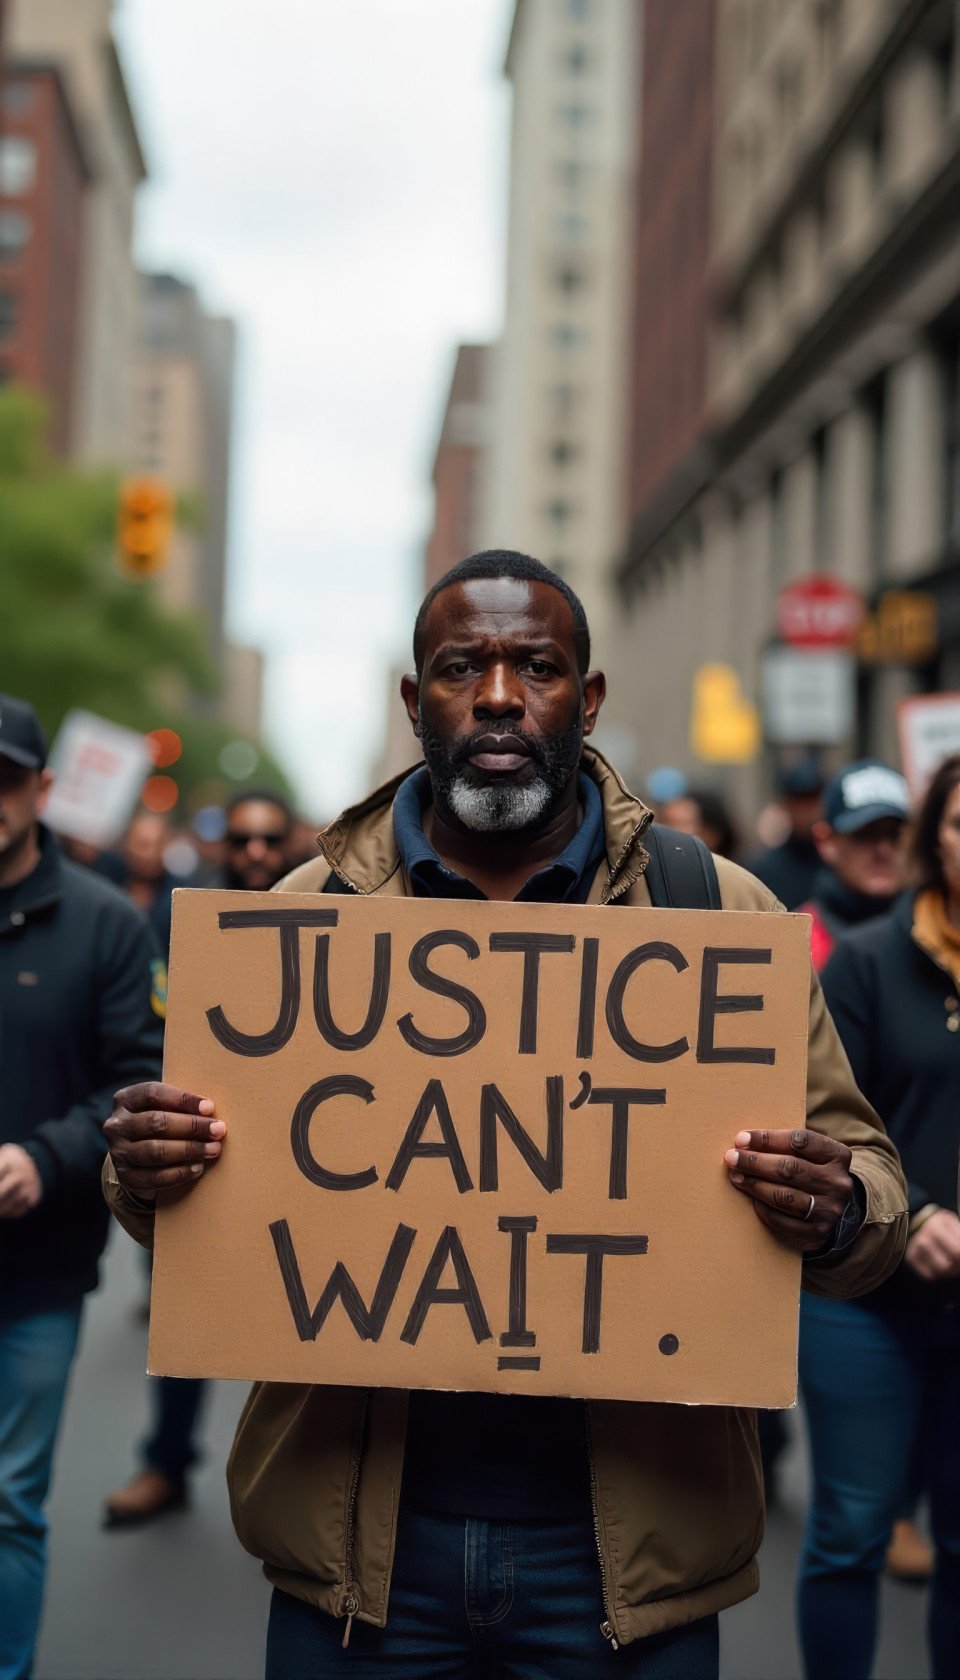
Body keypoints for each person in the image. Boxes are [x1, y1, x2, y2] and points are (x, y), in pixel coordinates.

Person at [102, 554, 907, 1680]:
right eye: (458, 668)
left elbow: (873, 1193)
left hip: (626, 1571)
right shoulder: (301, 921)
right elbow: (194, 1212)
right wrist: (148, 1170)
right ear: (413, 700)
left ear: (588, 697)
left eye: (535, 667)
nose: (496, 697)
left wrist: (837, 1206)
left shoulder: (715, 913)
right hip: (362, 1568)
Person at [0, 694, 163, 1680]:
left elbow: (136, 1078)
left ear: (43, 788)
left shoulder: (107, 924)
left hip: (36, 1274)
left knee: (7, 1501)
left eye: (6, 779)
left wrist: (43, 1157)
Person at [796, 752, 960, 1680]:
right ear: (937, 842)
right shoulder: (860, 962)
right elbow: (832, 1127)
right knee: (853, 1529)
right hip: (866, 1294)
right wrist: (920, 1209)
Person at [103, 788, 294, 1528]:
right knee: (186, 1313)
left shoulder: (333, 914)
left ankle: (293, 1495)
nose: (256, 852)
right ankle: (166, 1464)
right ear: (221, 845)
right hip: (199, 1152)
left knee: (302, 1322)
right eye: (241, 839)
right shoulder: (177, 917)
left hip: (301, 1162)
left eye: (269, 838)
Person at [798, 759, 909, 972]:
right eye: (865, 834)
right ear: (825, 842)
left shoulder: (937, 935)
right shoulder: (796, 944)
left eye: (895, 835)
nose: (883, 850)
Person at [750, 761, 825, 910]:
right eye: (799, 801)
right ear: (785, 804)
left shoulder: (837, 863)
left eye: (812, 801)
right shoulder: (766, 868)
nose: (806, 810)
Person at [658, 785, 740, 859]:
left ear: (710, 835)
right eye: (664, 821)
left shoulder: (735, 869)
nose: (664, 830)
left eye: (681, 823)